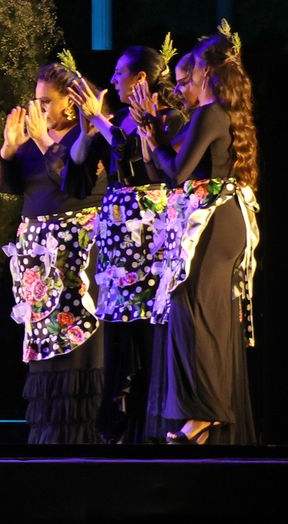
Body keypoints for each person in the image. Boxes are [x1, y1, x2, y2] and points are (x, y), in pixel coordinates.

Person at [138, 34, 259, 445]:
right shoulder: (220, 114)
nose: (181, 86)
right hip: (224, 221)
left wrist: (155, 138)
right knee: (202, 312)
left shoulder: (210, 114)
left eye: (188, 76)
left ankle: (205, 412)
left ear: (206, 71)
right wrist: (148, 133)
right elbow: (163, 175)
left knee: (195, 311)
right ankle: (206, 415)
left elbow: (177, 171)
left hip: (214, 221)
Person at [69, 45, 186, 442]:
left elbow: (142, 161)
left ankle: (147, 420)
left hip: (149, 234)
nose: (114, 80)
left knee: (147, 325)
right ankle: (115, 417)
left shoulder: (167, 118)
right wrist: (89, 126)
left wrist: (101, 122)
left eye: (121, 74)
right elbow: (81, 168)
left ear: (141, 79)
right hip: (119, 236)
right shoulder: (116, 118)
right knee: (119, 325)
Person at [0, 62, 105, 444]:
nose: (38, 109)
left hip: (74, 252)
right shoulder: (35, 135)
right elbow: (5, 184)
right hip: (37, 260)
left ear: (70, 103)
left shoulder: (86, 135)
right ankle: (48, 438)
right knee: (44, 350)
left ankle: (81, 437)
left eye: (46, 102)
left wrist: (42, 141)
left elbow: (76, 183)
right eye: (36, 101)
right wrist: (8, 149)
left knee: (74, 346)